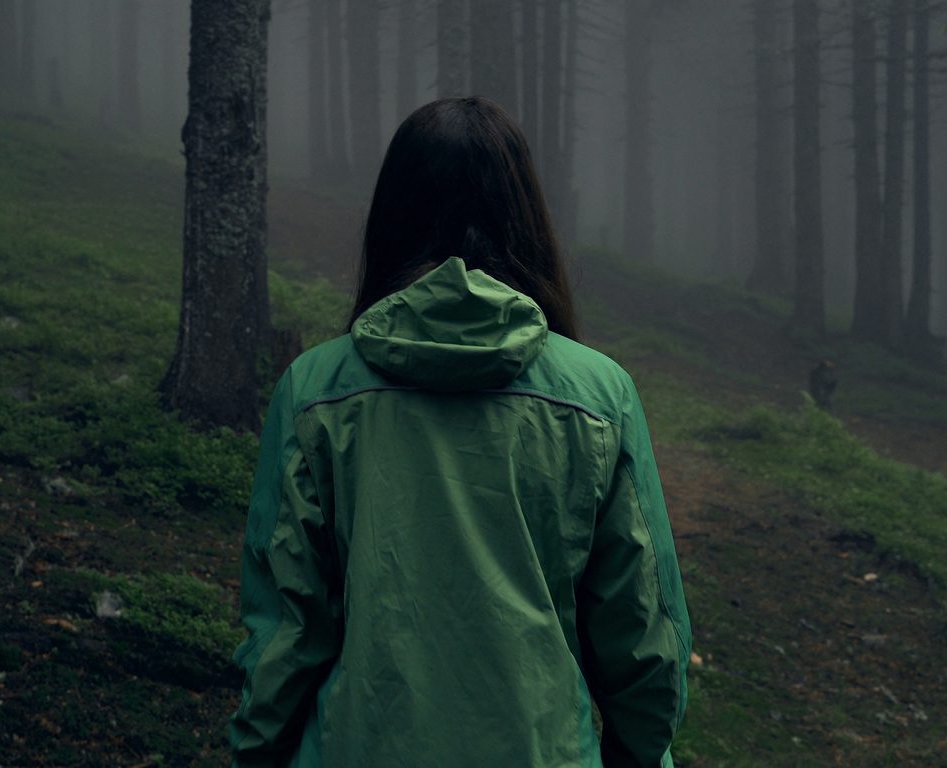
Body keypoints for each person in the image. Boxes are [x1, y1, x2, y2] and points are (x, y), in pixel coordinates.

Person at [229, 98, 690, 768]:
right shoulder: (598, 396)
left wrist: (256, 754)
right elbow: (641, 632)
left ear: (392, 216)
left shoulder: (316, 391)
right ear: (526, 218)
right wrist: (642, 754)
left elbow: (286, 629)